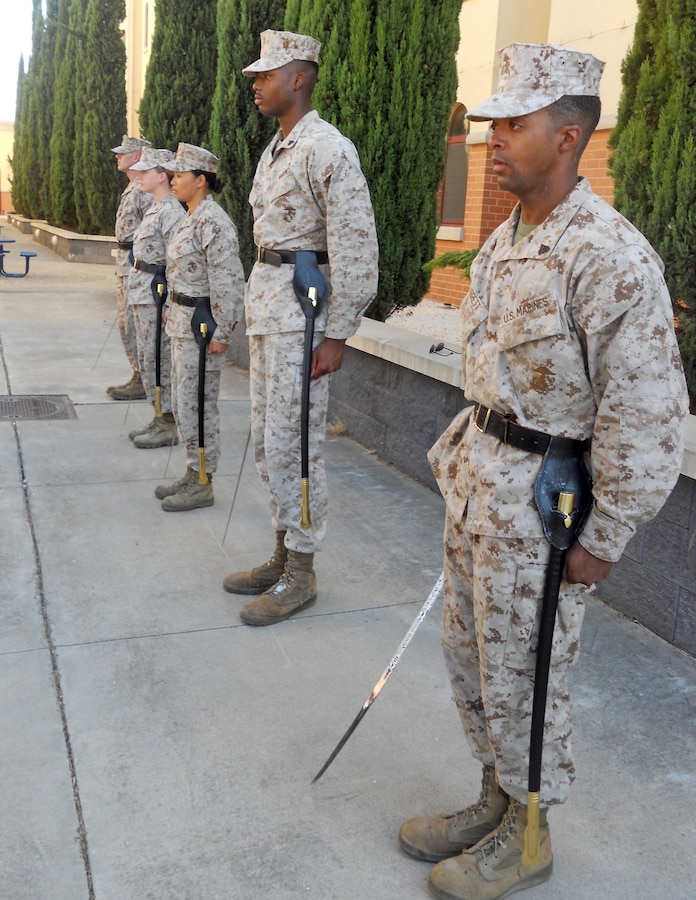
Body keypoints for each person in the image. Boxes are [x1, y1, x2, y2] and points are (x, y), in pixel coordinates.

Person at [398, 43, 688, 900]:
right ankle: (494, 800)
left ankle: (529, 837)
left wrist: (606, 535)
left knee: (527, 673)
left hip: (545, 509)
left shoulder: (611, 257)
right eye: (492, 125)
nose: (493, 141)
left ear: (568, 136)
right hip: (479, 488)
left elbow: (644, 417)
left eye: (513, 125)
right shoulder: (504, 242)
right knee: (471, 660)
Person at [222, 30, 379, 626]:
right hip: (271, 314)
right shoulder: (276, 149)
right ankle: (284, 551)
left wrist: (338, 333)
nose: (257, 84)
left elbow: (356, 249)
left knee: (297, 445)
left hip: (304, 322)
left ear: (301, 77)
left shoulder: (329, 150)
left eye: (267, 74)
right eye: (257, 76)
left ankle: (303, 572)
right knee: (267, 440)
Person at [154, 143, 244, 512]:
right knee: (184, 402)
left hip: (202, 330)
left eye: (180, 175)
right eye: (172, 175)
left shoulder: (214, 222)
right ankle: (194, 471)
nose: (174, 181)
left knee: (199, 405)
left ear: (201, 180)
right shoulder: (190, 216)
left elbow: (228, 282)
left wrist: (223, 334)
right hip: (181, 323)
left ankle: (203, 482)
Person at [126, 148, 186, 448]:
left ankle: (169, 421)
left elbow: (177, 259)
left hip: (156, 295)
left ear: (161, 176)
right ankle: (158, 414)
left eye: (145, 172)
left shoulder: (172, 211)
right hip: (142, 290)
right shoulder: (156, 206)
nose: (139, 176)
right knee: (148, 358)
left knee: (159, 359)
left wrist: (173, 301)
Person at [108, 135, 153, 401]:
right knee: (126, 325)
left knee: (136, 325)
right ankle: (138, 373)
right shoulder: (132, 188)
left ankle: (144, 378)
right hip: (125, 264)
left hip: (138, 267)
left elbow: (152, 234)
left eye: (123, 152)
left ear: (137, 157)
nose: (118, 156)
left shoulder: (143, 192)